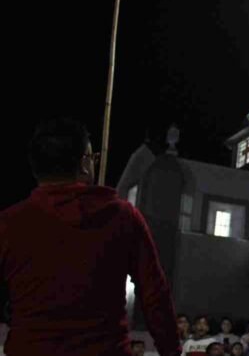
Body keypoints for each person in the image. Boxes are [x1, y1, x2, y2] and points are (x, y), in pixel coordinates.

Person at [0, 118, 181, 356]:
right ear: (85, 164)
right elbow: (155, 294)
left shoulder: (10, 223)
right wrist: (171, 351)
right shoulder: (122, 217)